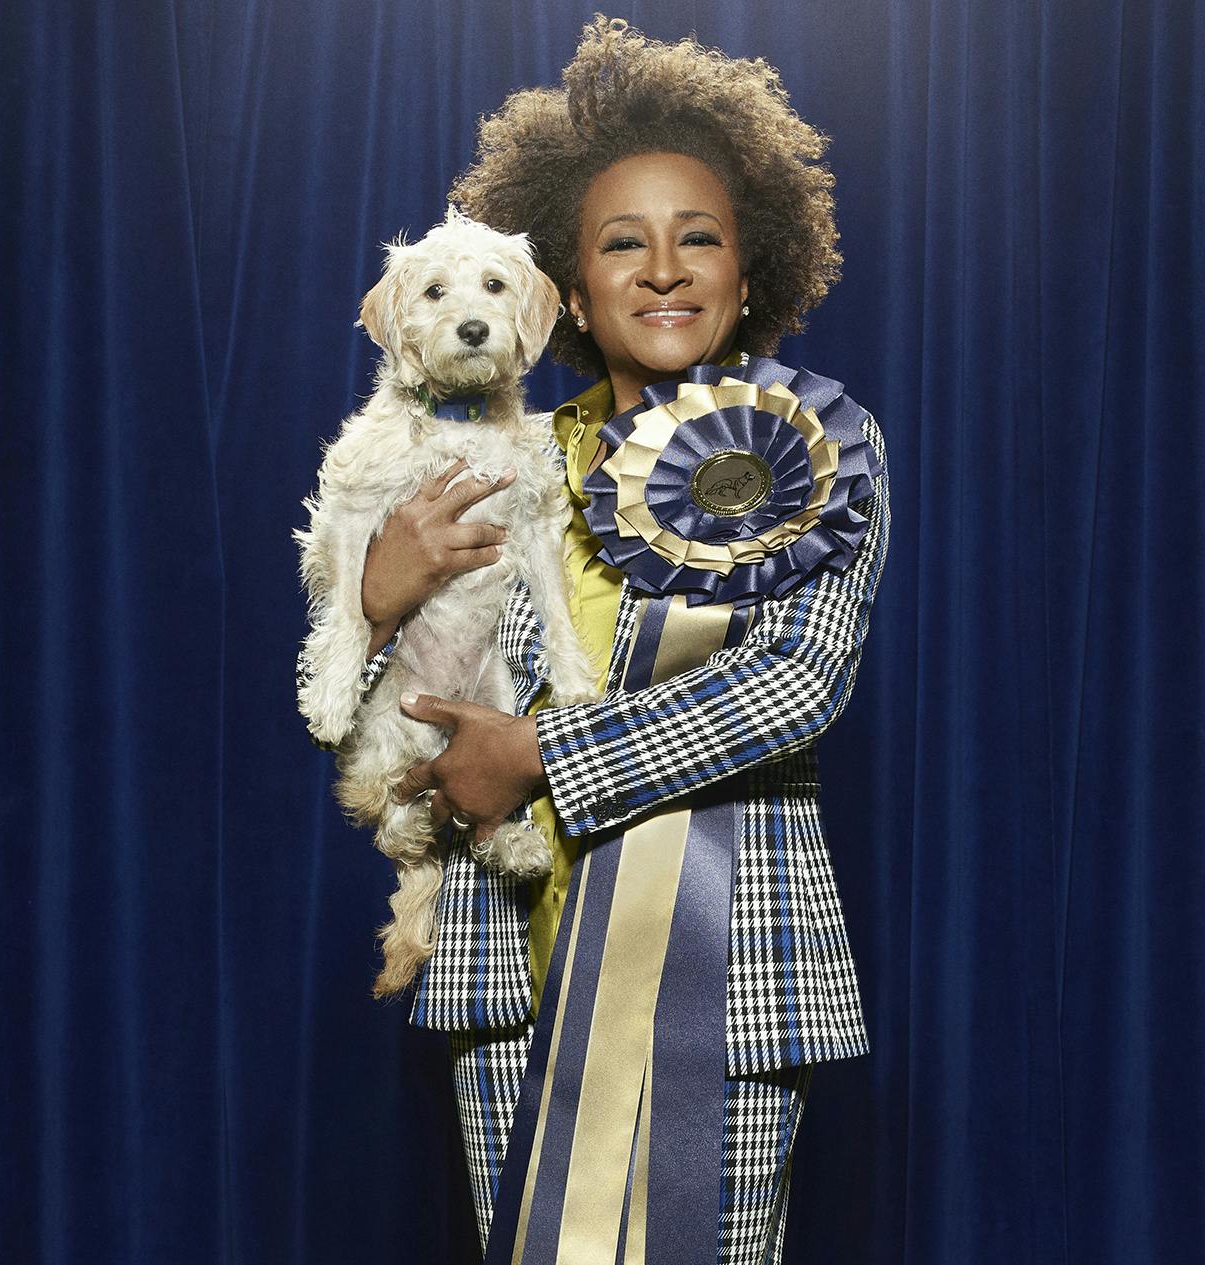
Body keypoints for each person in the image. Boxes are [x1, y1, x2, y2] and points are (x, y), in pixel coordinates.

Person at [320, 17, 888, 1263]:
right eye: (620, 243)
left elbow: (792, 684)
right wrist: (371, 595)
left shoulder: (813, 442)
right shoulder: (502, 454)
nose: (664, 269)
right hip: (502, 975)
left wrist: (539, 755)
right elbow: (367, 700)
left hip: (729, 989)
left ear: (750, 271)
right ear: (565, 294)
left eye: (700, 239)